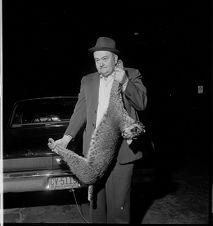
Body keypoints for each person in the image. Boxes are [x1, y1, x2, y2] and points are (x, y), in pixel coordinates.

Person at [48, 36, 147, 223]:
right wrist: (66, 138)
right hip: (95, 153)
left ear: (115, 59)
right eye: (97, 60)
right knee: (96, 210)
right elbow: (80, 112)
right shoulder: (88, 80)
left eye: (105, 59)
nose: (100, 64)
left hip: (122, 153)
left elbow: (142, 103)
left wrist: (125, 81)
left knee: (119, 210)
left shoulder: (132, 73)